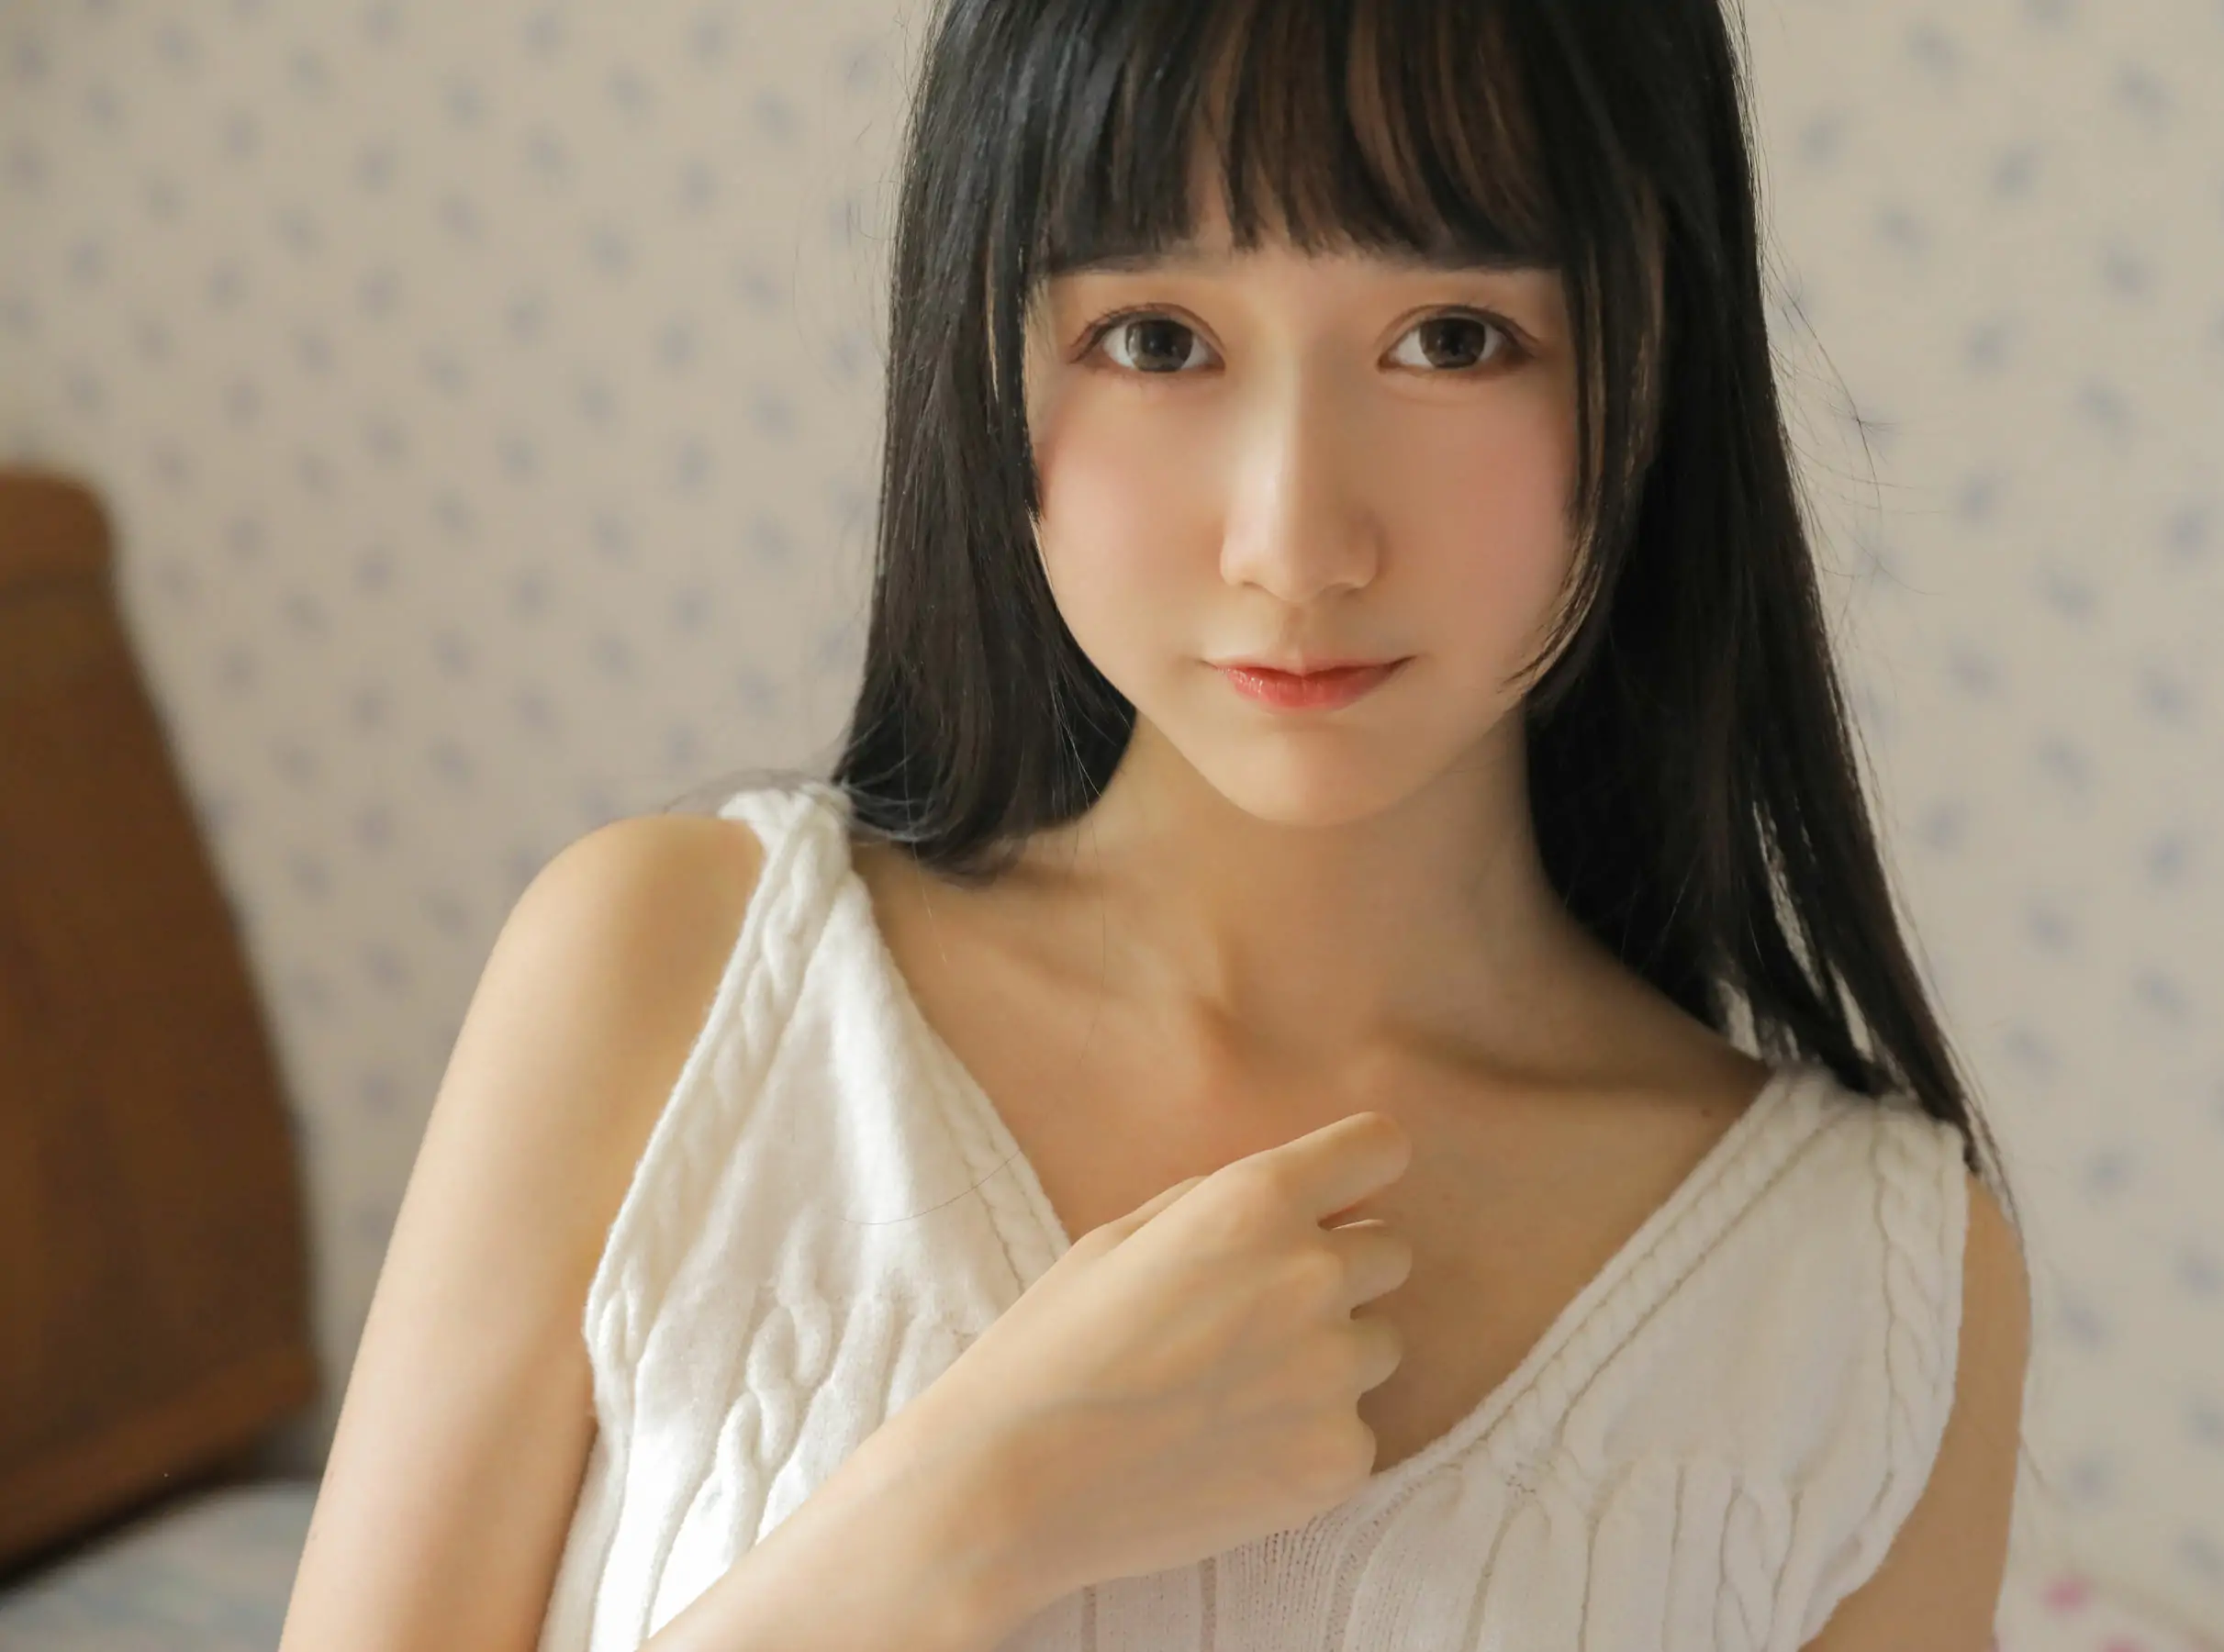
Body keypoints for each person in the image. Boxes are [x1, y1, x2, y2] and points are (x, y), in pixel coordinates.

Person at [279, 0, 2035, 1647]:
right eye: (1157, 339)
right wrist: (964, 1515)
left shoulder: (1870, 1291)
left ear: (1653, 371)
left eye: (1452, 339)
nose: (1295, 542)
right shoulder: (667, 976)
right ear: (988, 359)